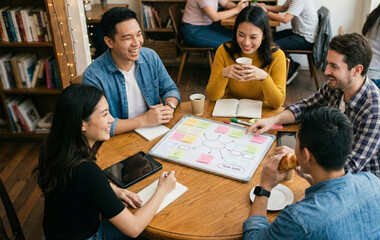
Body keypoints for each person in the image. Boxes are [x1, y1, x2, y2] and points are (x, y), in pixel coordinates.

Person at [248, 33, 380, 197]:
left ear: (357, 70)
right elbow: (305, 107)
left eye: (334, 66)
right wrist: (272, 120)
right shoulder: (337, 86)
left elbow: (348, 169)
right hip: (331, 167)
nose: (326, 71)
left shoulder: (376, 113)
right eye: (327, 64)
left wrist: (299, 158)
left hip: (363, 191)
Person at [34, 84, 177, 240]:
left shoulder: (55, 149)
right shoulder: (86, 170)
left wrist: (114, 190)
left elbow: (77, 186)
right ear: (82, 123)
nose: (111, 119)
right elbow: (134, 228)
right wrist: (163, 189)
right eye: (104, 114)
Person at [243, 106, 380, 239]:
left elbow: (252, 237)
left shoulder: (299, 218)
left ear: (306, 155)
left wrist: (264, 187)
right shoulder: (372, 182)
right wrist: (310, 177)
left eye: (296, 142)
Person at [82, 7, 181, 136]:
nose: (137, 43)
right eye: (128, 38)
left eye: (139, 34)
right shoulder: (93, 76)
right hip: (118, 140)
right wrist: (144, 120)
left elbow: (170, 89)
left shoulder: (150, 57)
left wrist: (169, 107)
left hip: (153, 131)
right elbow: (98, 125)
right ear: (109, 42)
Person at [206, 6, 286, 109]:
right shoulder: (224, 51)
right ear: (235, 32)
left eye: (253, 37)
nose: (246, 43)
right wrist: (224, 74)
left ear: (264, 35)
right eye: (241, 35)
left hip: (263, 112)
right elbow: (212, 97)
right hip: (230, 111)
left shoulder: (277, 56)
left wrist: (264, 77)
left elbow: (277, 103)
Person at [258, 0, 319, 84]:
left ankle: (291, 68)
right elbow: (283, 8)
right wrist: (265, 6)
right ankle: (292, 65)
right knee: (269, 37)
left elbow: (285, 19)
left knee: (271, 46)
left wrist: (267, 12)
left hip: (305, 39)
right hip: (297, 33)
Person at [181, 0, 248, 49]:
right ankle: (224, 66)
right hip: (193, 31)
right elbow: (215, 17)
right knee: (230, 44)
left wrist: (239, 6)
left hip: (207, 26)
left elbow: (225, 3)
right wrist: (237, 10)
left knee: (236, 37)